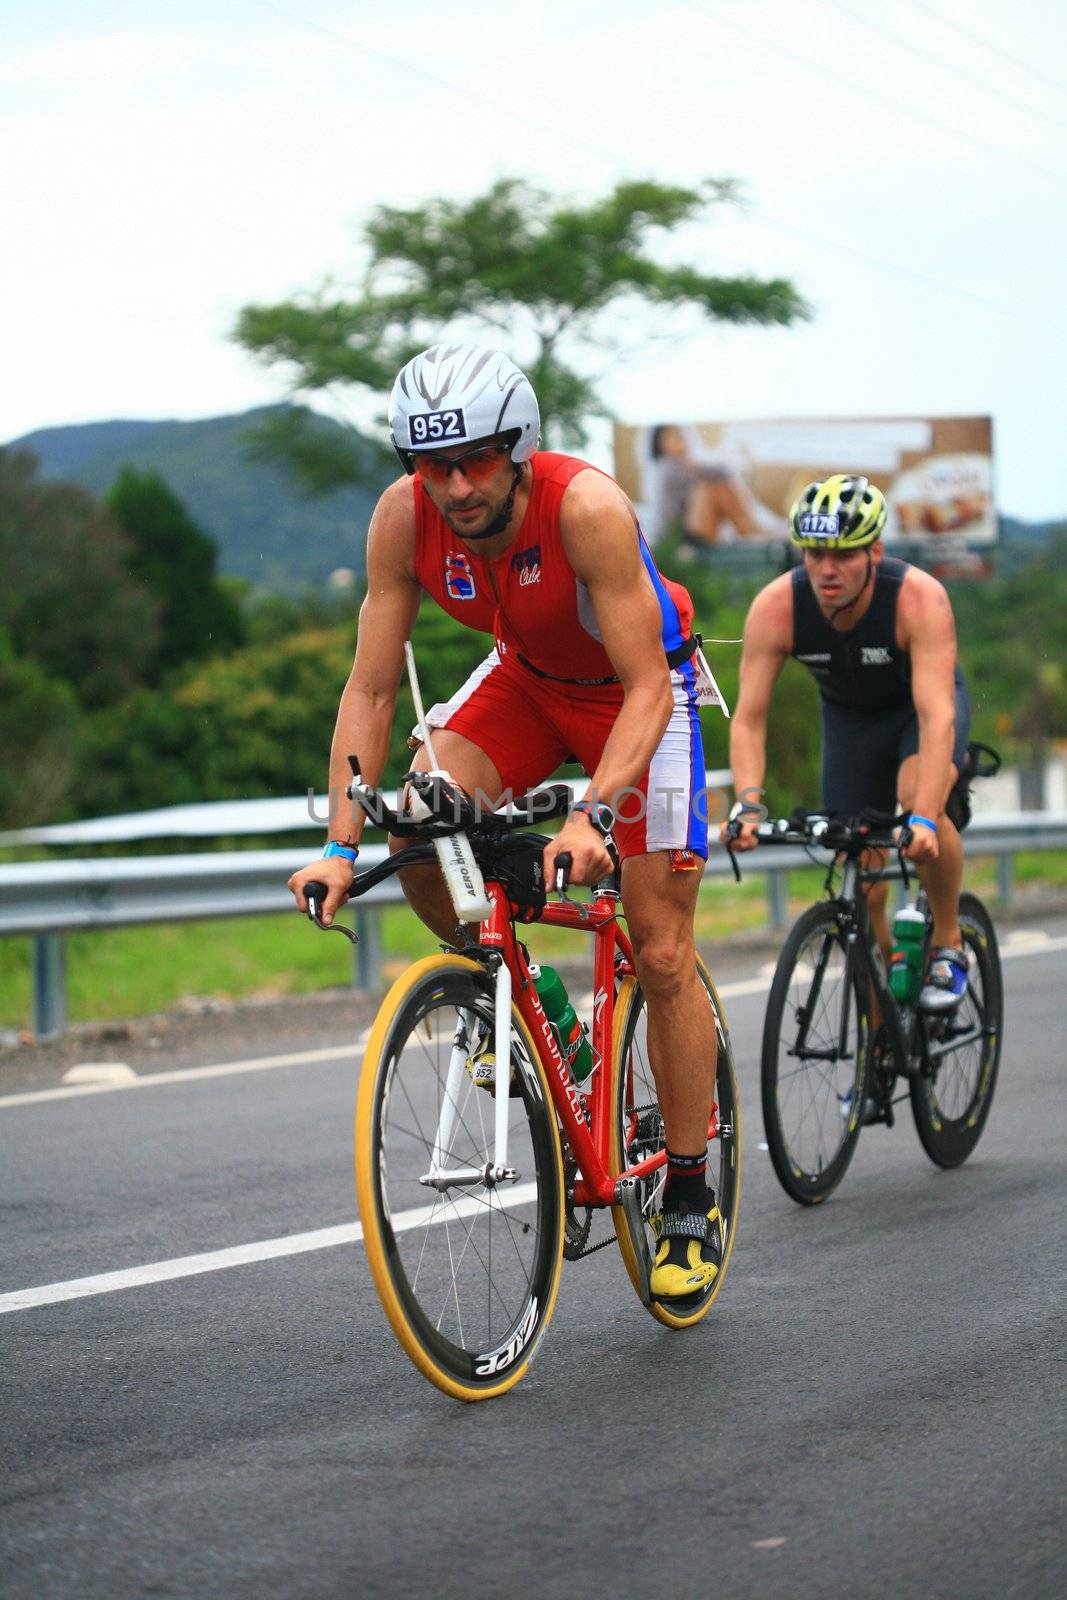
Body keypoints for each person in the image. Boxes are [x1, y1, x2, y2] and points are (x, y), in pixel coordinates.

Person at [289, 342, 720, 1299]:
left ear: (517, 449)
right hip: (526, 683)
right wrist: (334, 845)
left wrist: (594, 817)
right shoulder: (404, 519)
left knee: (658, 949)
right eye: (430, 465)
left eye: (475, 460)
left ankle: (689, 1191)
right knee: (418, 821)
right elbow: (367, 686)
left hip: (639, 696)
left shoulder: (587, 509)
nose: (453, 486)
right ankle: (535, 1014)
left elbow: (648, 682)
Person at [724, 472, 972, 1027]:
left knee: (917, 801)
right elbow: (749, 718)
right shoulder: (777, 607)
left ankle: (950, 942)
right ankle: (882, 1019)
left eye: (842, 555)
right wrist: (748, 801)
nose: (826, 570)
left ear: (875, 551)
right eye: (813, 554)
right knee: (858, 875)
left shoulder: (918, 597)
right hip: (850, 723)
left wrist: (926, 819)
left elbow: (938, 717)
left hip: (919, 713)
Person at [644, 424, 784, 553]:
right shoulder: (668, 466)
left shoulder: (672, 466)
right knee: (709, 489)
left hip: (686, 532)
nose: (680, 437)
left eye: (680, 433)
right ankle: (751, 529)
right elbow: (721, 472)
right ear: (659, 444)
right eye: (672, 435)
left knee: (713, 488)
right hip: (678, 539)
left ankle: (751, 529)